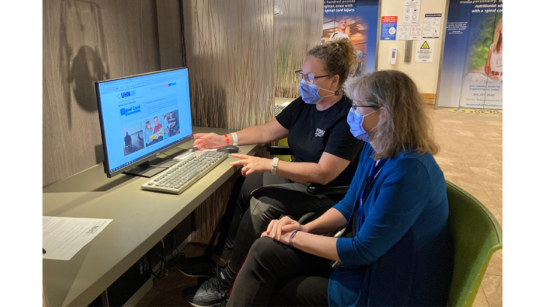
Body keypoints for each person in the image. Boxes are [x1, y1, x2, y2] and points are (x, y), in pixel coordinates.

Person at [226, 70, 454, 307]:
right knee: (266, 250)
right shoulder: (374, 146)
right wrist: (304, 228)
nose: (351, 113)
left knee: (284, 292)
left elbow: (363, 250)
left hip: (389, 284)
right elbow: (348, 206)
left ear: (384, 114)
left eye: (357, 107)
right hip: (367, 261)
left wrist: (294, 237)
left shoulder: (409, 172)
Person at [180, 38, 363, 307]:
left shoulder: (346, 117)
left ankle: (228, 282)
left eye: (313, 77)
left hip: (325, 193)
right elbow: (267, 131)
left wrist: (272, 164)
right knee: (249, 180)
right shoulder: (305, 105)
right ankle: (220, 261)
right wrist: (225, 139)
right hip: (300, 180)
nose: (305, 82)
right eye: (303, 74)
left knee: (261, 204)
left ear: (334, 81)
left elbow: (324, 173)